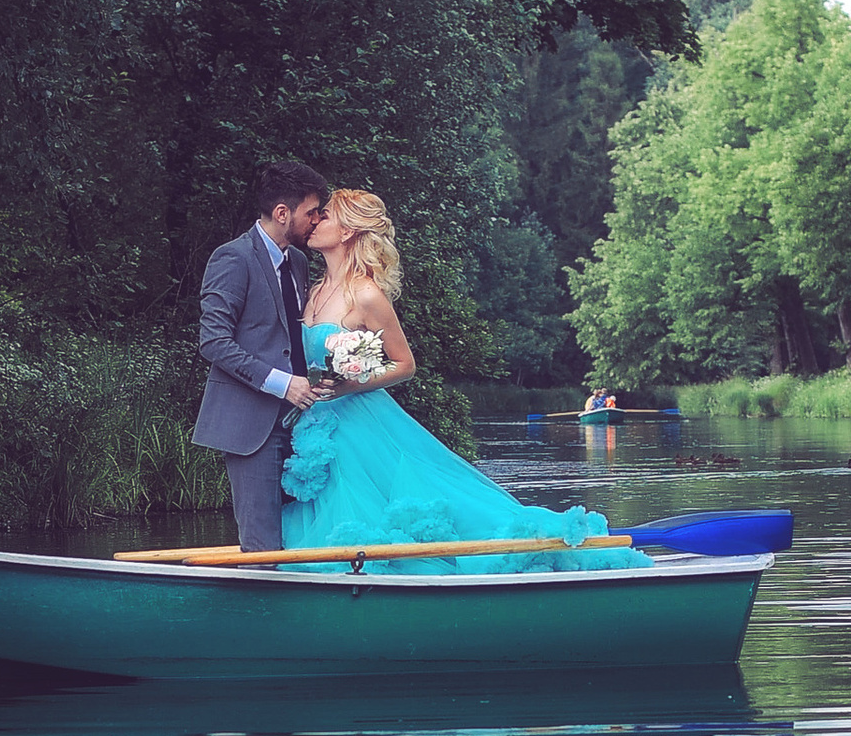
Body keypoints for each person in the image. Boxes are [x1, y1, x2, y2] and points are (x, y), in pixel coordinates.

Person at [283, 187, 644, 570]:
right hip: (318, 423)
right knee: (331, 502)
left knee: (375, 503)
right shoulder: (314, 289)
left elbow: (404, 364)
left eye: (326, 215)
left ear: (347, 232)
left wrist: (350, 382)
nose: (315, 220)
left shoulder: (367, 295)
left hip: (361, 422)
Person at [193, 161, 331, 551]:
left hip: (305, 425)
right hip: (251, 428)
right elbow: (213, 342)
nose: (318, 220)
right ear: (282, 213)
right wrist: (283, 383)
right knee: (263, 550)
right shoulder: (232, 258)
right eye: (312, 212)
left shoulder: (299, 263)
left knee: (303, 538)